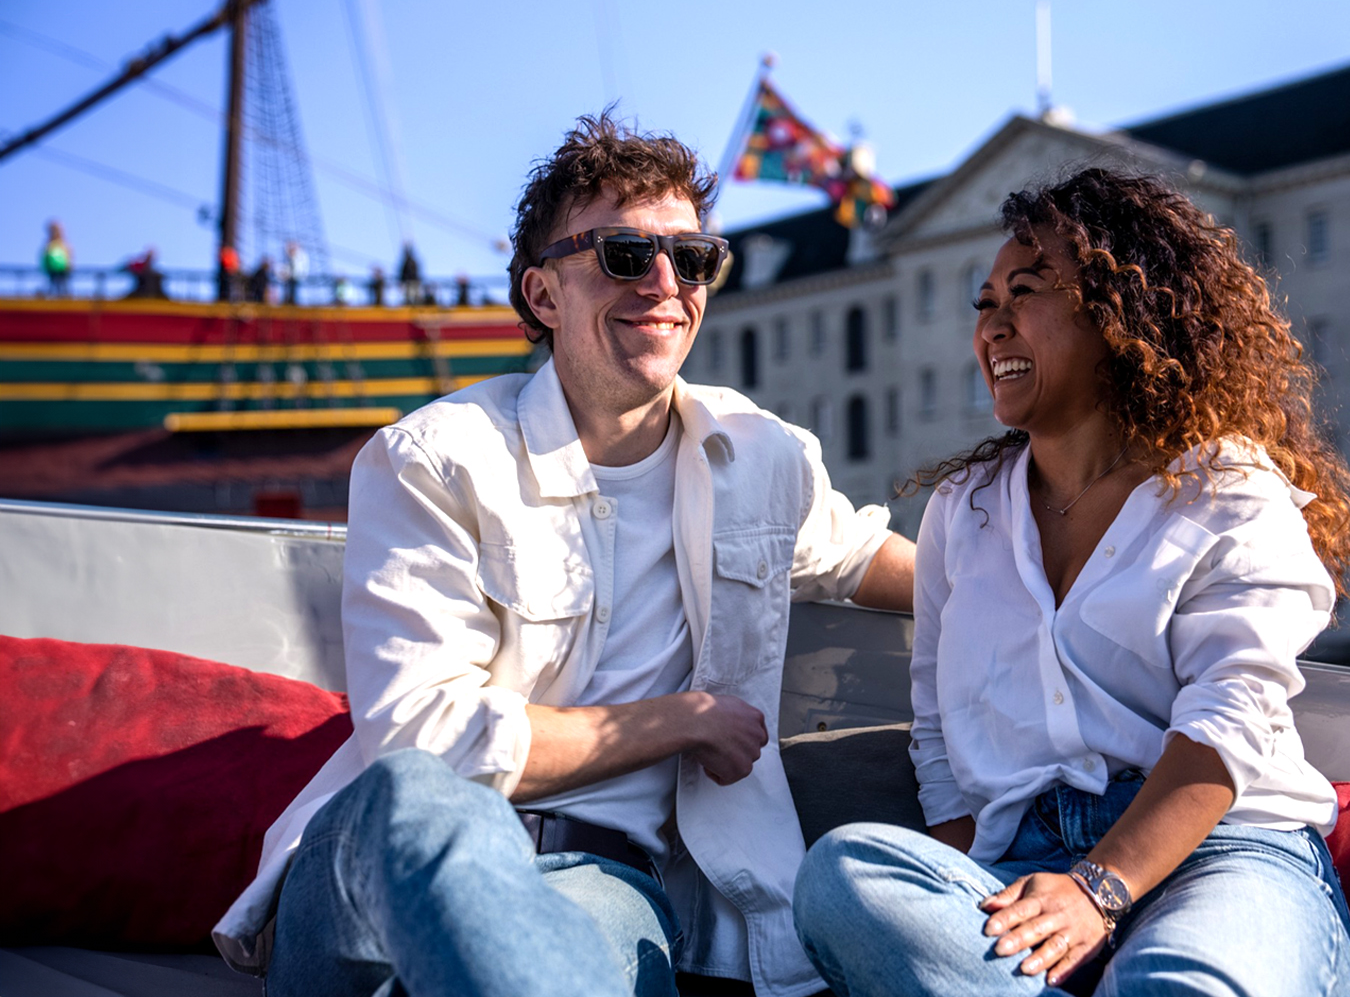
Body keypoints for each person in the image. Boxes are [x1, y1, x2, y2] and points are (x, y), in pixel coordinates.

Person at [212, 111, 915, 997]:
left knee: (567, 963)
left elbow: (861, 555)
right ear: (543, 297)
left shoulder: (762, 456)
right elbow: (423, 742)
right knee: (423, 802)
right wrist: (682, 719)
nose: (667, 282)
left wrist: (1060, 587)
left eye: (693, 258)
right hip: (383, 879)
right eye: (626, 254)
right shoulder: (435, 458)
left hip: (599, 885)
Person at [792, 169, 1350, 997]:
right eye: (984, 303)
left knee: (1178, 985)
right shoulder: (964, 512)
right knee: (845, 880)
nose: (992, 326)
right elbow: (937, 738)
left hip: (1222, 850)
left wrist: (1097, 891)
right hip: (1023, 863)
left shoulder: (1231, 494)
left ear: (1119, 317)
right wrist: (977, 899)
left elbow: (1230, 724)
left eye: (1023, 294)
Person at [41, 221, 72, 297]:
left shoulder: (62, 244)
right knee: (53, 285)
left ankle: (64, 297)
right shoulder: (49, 244)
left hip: (62, 270)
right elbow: (45, 256)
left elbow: (68, 255)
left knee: (63, 286)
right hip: (52, 270)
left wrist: (69, 266)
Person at [283, 240, 309, 305]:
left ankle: (292, 300)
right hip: (290, 276)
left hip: (296, 276)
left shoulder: (300, 255)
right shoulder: (292, 256)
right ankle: (289, 300)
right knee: (289, 288)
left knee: (293, 289)